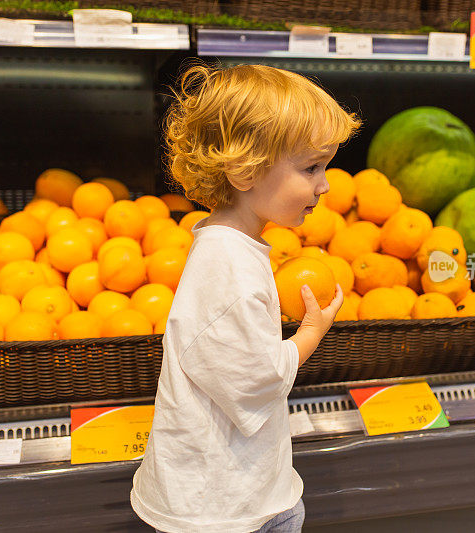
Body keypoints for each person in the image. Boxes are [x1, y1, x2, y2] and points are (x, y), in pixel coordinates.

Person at [130, 63, 361, 532]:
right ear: (244, 171)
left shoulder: (230, 246)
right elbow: (253, 381)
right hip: (222, 511)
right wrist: (312, 333)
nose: (326, 184)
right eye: (311, 167)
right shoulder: (229, 266)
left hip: (229, 494)